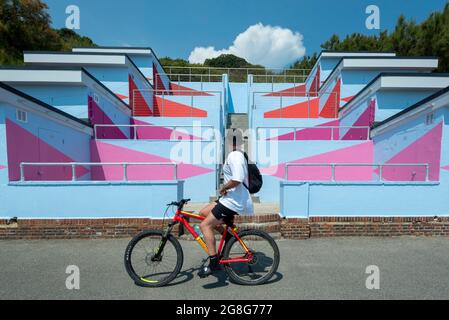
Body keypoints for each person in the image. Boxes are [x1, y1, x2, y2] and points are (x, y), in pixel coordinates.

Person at [197, 144, 254, 278]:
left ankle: (213, 262)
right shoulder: (235, 155)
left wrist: (224, 187)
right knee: (203, 213)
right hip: (229, 199)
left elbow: (237, 179)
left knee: (205, 225)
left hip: (234, 202)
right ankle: (228, 236)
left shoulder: (235, 155)